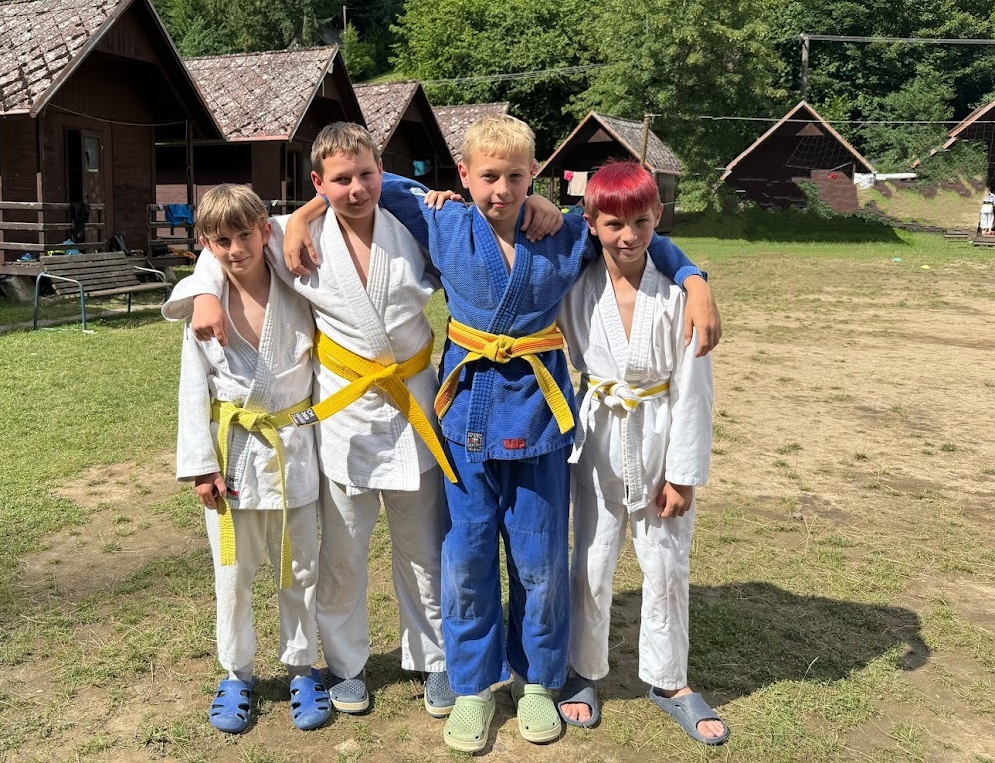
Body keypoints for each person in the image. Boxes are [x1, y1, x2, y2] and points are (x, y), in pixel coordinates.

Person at [284, 114, 720, 752]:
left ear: (534, 174)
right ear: (463, 175)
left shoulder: (562, 234)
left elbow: (631, 231)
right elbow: (369, 182)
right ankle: (471, 686)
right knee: (466, 560)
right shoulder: (443, 221)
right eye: (488, 176)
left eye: (517, 176)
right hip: (464, 418)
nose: (502, 189)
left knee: (540, 561)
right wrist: (304, 213)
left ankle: (537, 681)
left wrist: (693, 278)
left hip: (539, 420)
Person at [183, 126, 563, 719]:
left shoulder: (415, 222)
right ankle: (346, 664)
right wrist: (207, 291)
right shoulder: (291, 235)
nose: (357, 189)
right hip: (344, 416)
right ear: (318, 183)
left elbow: (487, 218)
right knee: (342, 553)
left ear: (382, 172)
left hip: (414, 405)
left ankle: (435, 660)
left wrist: (538, 199)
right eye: (340, 180)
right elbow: (228, 246)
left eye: (367, 174)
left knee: (425, 549)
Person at [556, 161, 727, 746]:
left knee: (667, 565)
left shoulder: (678, 295)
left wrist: (683, 475)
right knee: (591, 562)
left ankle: (669, 679)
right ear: (590, 223)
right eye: (613, 224)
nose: (628, 236)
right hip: (597, 439)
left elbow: (694, 393)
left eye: (641, 222)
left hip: (659, 435)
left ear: (658, 218)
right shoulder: (574, 284)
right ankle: (583, 669)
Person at [164, 184, 331, 734]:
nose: (235, 249)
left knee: (300, 569)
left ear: (265, 231)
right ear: (206, 245)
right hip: (232, 454)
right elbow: (193, 388)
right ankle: (236, 672)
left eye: (244, 235)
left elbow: (324, 202)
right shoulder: (202, 308)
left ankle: (301, 667)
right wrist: (199, 465)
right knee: (232, 574)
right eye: (221, 241)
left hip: (293, 449)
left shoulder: (298, 287)